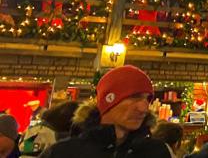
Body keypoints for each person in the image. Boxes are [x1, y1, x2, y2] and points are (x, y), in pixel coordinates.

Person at [39, 65, 171, 158]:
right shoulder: (63, 153)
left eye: (147, 99)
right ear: (109, 100)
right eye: (134, 97)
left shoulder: (157, 152)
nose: (144, 108)